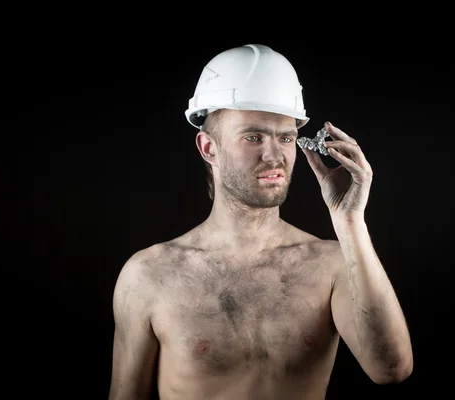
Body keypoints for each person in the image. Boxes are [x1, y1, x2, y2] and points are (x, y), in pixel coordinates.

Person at [108, 44, 413, 400]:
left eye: (285, 137)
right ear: (209, 148)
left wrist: (350, 222)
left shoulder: (331, 264)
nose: (274, 156)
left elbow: (390, 369)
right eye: (253, 137)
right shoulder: (150, 274)